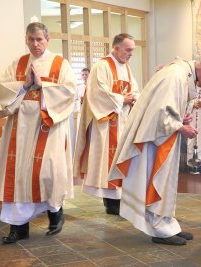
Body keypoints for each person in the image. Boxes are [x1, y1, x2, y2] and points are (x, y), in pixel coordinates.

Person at [108, 53, 201, 246]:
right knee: (159, 181)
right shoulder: (176, 75)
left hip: (162, 136)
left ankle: (167, 224)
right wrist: (181, 126)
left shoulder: (183, 74)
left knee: (165, 182)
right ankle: (159, 228)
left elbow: (168, 107)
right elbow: (160, 112)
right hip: (154, 140)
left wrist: (180, 119)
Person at [0, 22, 76, 243]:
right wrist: (23, 84)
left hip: (47, 127)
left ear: (47, 40)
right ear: (26, 40)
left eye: (39, 39)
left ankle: (55, 212)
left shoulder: (60, 63)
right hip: (19, 130)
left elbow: (70, 92)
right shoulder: (18, 63)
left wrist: (43, 87)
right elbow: (3, 88)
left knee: (46, 173)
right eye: (31, 39)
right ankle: (18, 228)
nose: (35, 44)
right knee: (18, 176)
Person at [73, 33, 139, 215]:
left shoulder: (126, 68)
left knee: (120, 160)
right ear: (116, 48)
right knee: (107, 164)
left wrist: (134, 98)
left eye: (132, 50)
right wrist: (121, 100)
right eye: (128, 50)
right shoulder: (102, 65)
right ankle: (111, 203)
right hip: (106, 124)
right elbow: (96, 93)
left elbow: (134, 89)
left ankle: (120, 199)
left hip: (122, 123)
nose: (131, 54)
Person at [70, 67, 90, 154]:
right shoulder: (78, 88)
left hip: (91, 113)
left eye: (86, 74)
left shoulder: (93, 87)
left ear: (90, 75)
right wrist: (81, 101)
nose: (84, 76)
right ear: (81, 77)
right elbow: (75, 101)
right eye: (83, 75)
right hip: (81, 113)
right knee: (81, 134)